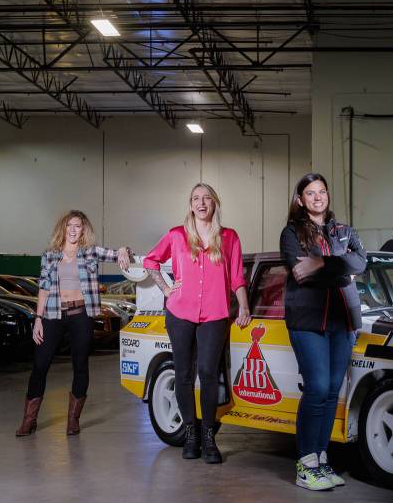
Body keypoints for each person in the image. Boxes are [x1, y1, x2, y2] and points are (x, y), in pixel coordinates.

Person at [143, 183, 251, 464]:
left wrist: (244, 305)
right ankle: (190, 433)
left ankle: (208, 435)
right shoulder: (177, 236)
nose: (201, 203)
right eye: (195, 199)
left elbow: (237, 277)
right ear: (190, 205)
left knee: (208, 371)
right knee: (183, 373)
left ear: (215, 203)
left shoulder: (229, 237)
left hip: (215, 315)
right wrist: (167, 290)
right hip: (180, 314)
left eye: (206, 199)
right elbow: (150, 261)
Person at [280, 173, 366, 491]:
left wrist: (321, 263)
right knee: (316, 388)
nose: (318, 197)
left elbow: (361, 262)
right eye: (311, 193)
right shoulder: (291, 233)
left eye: (323, 192)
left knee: (332, 391)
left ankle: (320, 457)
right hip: (308, 321)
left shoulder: (344, 230)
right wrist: (338, 268)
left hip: (343, 320)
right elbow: (301, 273)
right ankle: (305, 464)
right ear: (300, 199)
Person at [16, 211, 131, 437]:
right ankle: (29, 420)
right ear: (63, 228)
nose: (73, 229)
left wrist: (123, 250)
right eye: (69, 225)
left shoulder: (89, 252)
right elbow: (44, 288)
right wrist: (38, 319)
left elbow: (114, 253)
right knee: (40, 364)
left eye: (77, 226)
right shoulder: (50, 255)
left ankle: (73, 420)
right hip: (52, 315)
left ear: (83, 230)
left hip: (81, 314)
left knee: (80, 365)